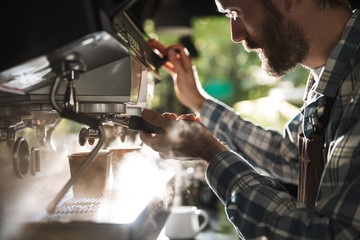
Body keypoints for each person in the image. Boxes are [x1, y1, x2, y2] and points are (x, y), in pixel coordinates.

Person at [141, 0, 360, 239]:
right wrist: (199, 102)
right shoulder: (330, 76)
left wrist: (210, 152)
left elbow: (336, 234)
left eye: (236, 11)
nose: (236, 34)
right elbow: (288, 154)